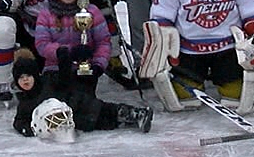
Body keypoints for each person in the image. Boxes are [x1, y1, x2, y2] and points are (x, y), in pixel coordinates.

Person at [11, 48, 152, 139]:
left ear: (35, 75)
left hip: (81, 103)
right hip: (77, 120)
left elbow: (64, 79)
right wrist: (27, 129)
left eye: (28, 76)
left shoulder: (48, 81)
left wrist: (64, 62)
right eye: (21, 78)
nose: (25, 80)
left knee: (108, 110)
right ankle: (127, 122)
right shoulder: (25, 103)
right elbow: (19, 121)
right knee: (103, 123)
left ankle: (136, 114)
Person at [33, 0, 110, 93]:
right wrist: (65, 52)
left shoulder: (92, 12)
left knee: (83, 103)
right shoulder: (46, 14)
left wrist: (98, 65)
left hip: (84, 70)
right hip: (54, 69)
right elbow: (41, 44)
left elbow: (103, 42)